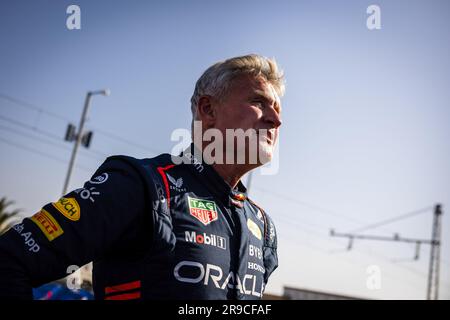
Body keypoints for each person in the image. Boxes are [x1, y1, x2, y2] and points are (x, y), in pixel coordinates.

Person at [0, 54, 284, 300]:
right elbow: (9, 260)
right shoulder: (140, 186)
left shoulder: (263, 227)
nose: (276, 119)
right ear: (208, 110)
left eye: (278, 108)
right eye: (259, 102)